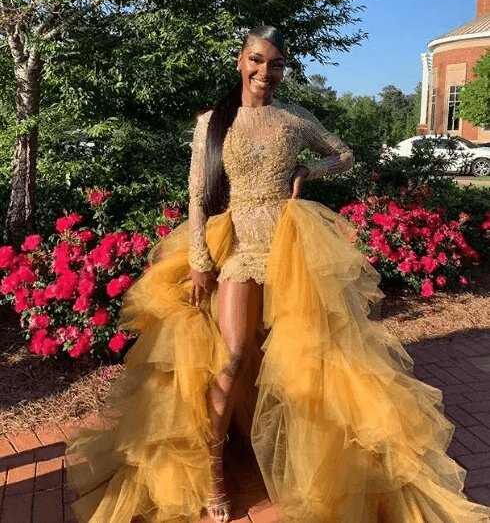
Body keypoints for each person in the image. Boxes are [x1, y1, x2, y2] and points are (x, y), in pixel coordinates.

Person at [63, 26, 490, 523]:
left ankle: (295, 456)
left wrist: (308, 171)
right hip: (235, 246)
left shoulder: (294, 118)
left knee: (303, 355)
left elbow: (345, 154)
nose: (265, 71)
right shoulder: (213, 123)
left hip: (290, 244)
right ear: (241, 61)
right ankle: (213, 468)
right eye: (257, 60)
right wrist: (200, 260)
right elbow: (197, 196)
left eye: (276, 64)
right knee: (232, 355)